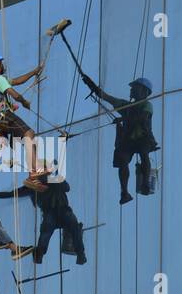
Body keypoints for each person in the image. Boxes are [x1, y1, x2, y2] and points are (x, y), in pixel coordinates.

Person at [81, 73, 159, 204]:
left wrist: (122, 118)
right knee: (123, 161)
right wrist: (89, 83)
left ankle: (145, 182)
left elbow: (141, 118)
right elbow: (105, 97)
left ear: (144, 91)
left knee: (144, 153)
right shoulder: (125, 106)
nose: (131, 90)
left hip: (143, 138)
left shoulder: (147, 105)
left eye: (135, 87)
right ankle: (124, 192)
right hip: (128, 140)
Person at [0, 49, 48, 189]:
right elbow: (14, 94)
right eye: (1, 62)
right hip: (2, 114)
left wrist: (34, 72)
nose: (3, 65)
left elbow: (16, 81)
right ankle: (34, 171)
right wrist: (24, 102)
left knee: (25, 138)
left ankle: (33, 177)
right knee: (29, 134)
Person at [28, 168, 86, 265]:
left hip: (62, 210)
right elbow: (36, 200)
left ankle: (80, 254)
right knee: (46, 230)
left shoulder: (54, 179)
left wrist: (57, 179)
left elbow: (66, 187)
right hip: (51, 211)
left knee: (73, 226)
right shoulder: (38, 184)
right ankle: (40, 253)